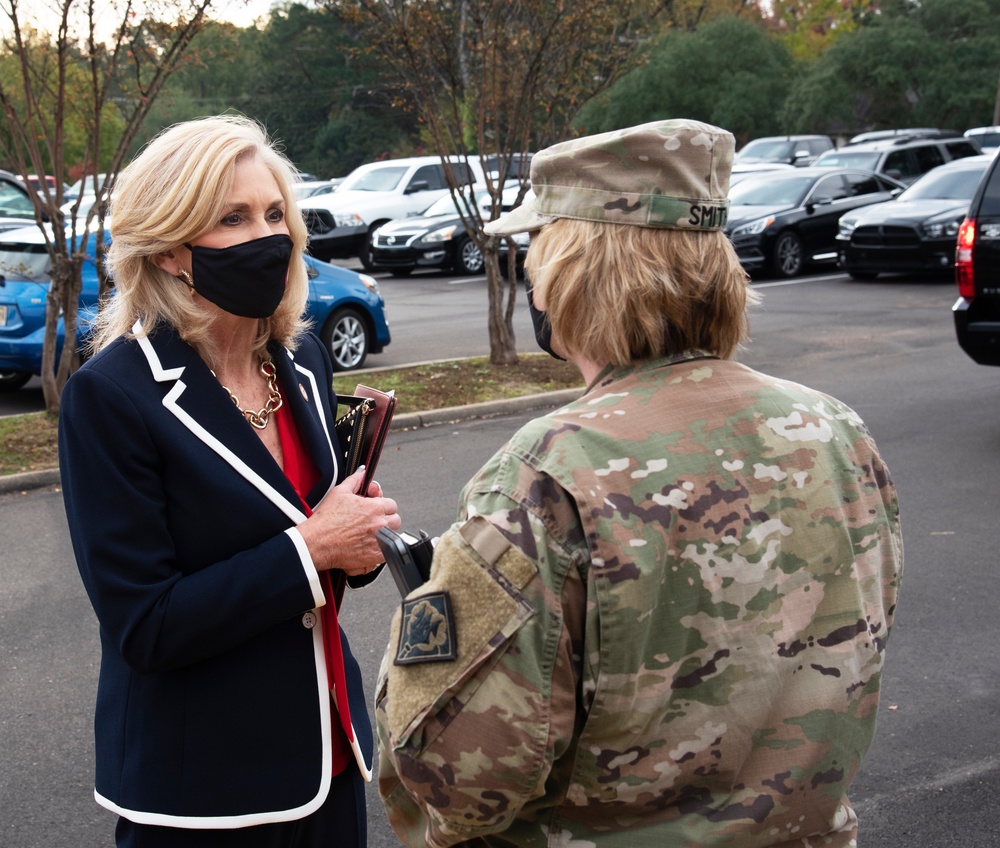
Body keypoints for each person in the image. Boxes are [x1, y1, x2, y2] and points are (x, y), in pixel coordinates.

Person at [375, 119, 903, 847]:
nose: (530, 275)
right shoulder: (835, 430)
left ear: (572, 272)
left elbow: (458, 781)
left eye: (537, 251)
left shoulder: (549, 471)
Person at [58, 115, 401, 848]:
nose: (267, 236)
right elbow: (143, 626)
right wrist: (311, 547)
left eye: (275, 213)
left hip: (331, 761)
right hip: (205, 796)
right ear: (171, 248)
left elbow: (315, 549)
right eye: (233, 218)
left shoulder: (301, 359)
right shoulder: (111, 396)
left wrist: (356, 545)